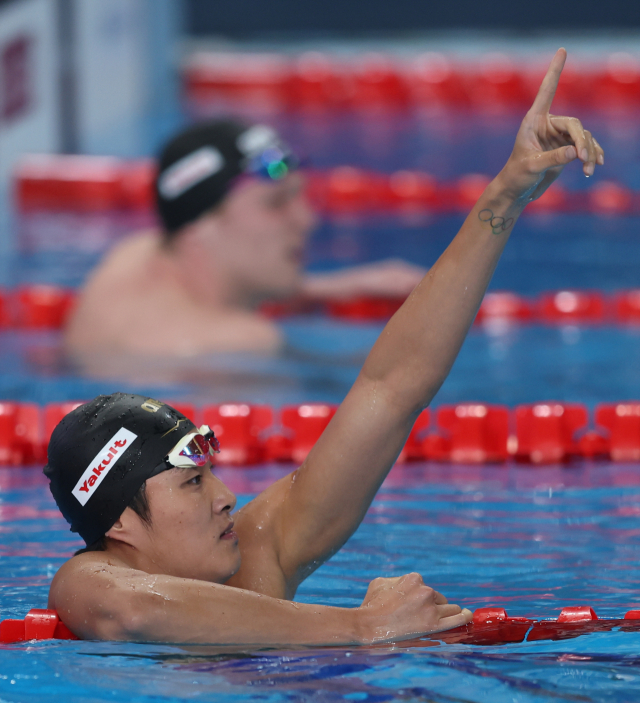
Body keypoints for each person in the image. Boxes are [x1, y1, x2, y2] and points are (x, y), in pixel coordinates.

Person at [46, 50, 603, 645]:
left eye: (208, 475)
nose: (229, 497)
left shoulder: (254, 558)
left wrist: (505, 196)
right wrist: (365, 626)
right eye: (191, 482)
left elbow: (391, 387)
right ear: (124, 524)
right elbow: (134, 610)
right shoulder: (89, 583)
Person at [64, 118, 426, 359]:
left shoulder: (134, 254)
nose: (308, 219)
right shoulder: (236, 345)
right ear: (202, 226)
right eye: (276, 203)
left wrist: (326, 287)